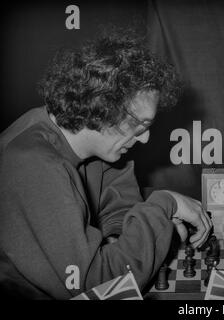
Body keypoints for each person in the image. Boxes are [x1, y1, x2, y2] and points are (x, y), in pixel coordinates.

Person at [0, 31, 212, 299]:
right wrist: (164, 204)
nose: (145, 138)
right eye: (140, 124)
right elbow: (96, 288)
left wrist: (131, 239)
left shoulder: (100, 148)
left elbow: (121, 209)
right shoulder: (33, 163)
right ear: (102, 106)